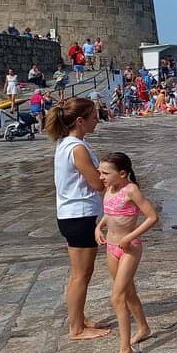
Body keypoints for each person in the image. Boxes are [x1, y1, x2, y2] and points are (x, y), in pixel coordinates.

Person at [47, 98, 111, 340]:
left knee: (80, 272)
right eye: (94, 115)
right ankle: (77, 328)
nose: (98, 119)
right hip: (79, 215)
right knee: (81, 274)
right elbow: (96, 183)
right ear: (80, 121)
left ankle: (80, 317)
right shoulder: (77, 148)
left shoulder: (67, 144)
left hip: (72, 214)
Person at [95, 153, 157, 353]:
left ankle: (125, 350)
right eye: (100, 172)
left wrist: (130, 237)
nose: (100, 177)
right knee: (128, 291)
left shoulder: (131, 190)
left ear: (122, 174)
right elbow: (110, 211)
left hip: (129, 248)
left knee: (117, 297)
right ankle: (143, 327)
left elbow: (152, 217)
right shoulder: (109, 189)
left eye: (105, 173)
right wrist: (99, 226)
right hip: (111, 248)